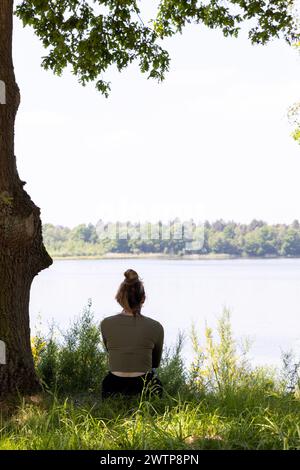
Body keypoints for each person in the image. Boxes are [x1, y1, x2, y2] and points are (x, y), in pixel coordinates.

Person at [100, 269, 164, 400]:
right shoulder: (156, 326)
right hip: (143, 385)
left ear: (119, 298)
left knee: (108, 379)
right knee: (155, 380)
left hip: (113, 386)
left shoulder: (106, 324)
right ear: (143, 298)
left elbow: (110, 352)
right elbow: (155, 363)